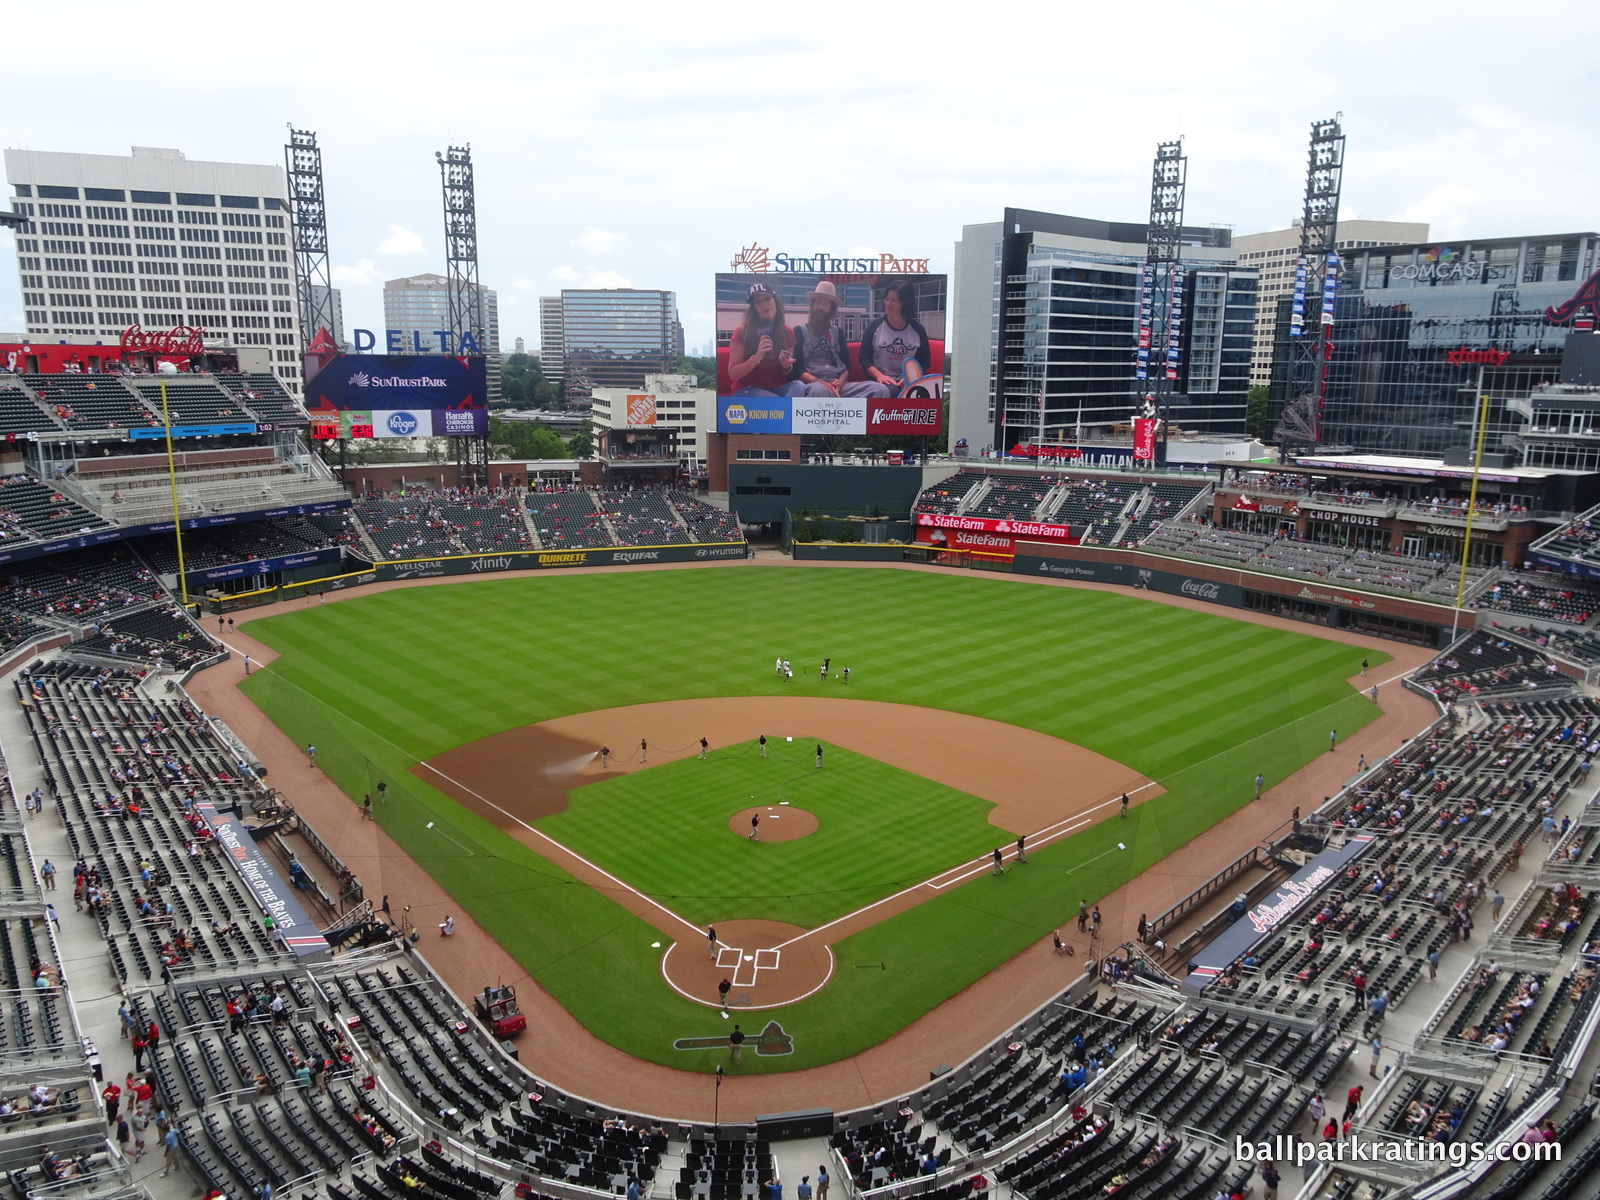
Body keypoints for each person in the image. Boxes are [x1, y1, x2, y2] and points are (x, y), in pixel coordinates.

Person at [792, 281, 890, 398]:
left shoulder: (838, 333)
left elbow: (847, 366)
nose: (820, 307)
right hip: (813, 385)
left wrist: (840, 382)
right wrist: (822, 383)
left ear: (831, 308)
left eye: (825, 304)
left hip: (839, 386)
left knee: (880, 390)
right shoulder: (799, 331)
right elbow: (796, 369)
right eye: (818, 303)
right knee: (821, 391)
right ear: (813, 305)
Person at [727, 283, 802, 397]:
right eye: (758, 302)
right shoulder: (742, 332)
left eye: (767, 299)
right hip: (747, 389)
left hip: (777, 387)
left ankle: (785, 409)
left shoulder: (788, 332)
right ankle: (785, 410)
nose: (764, 305)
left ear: (775, 301)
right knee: (777, 402)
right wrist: (757, 357)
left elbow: (786, 372)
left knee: (799, 386)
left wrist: (787, 366)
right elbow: (733, 374)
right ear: (754, 308)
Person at [861, 279, 933, 393]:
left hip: (909, 381)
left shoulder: (918, 330)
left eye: (894, 300)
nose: (888, 303)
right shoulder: (874, 327)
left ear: (904, 303)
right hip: (880, 382)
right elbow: (864, 358)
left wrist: (910, 378)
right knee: (892, 391)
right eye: (887, 299)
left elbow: (924, 362)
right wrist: (879, 376)